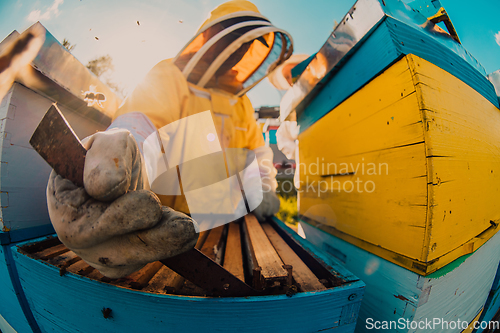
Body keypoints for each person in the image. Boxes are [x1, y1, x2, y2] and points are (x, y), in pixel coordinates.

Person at [47, 0, 293, 278]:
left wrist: (262, 188)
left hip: (223, 227)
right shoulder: (169, 77)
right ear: (210, 38)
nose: (236, 54)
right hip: (160, 227)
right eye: (233, 41)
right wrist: (124, 160)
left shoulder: (242, 105)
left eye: (245, 47)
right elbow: (141, 126)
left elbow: (257, 156)